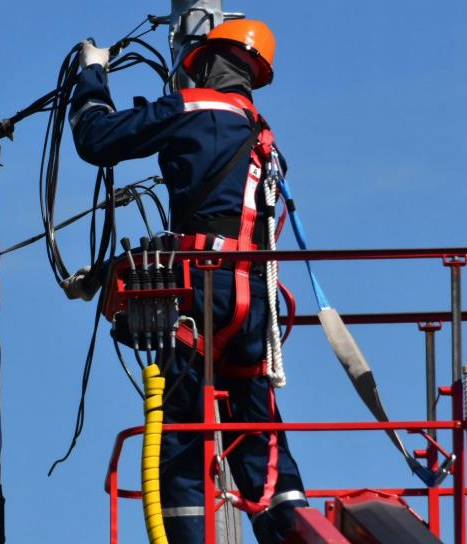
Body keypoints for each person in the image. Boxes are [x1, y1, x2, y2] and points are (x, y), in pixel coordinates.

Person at [69, 19, 307, 543]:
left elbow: (96, 139)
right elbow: (224, 227)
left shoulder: (192, 109)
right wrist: (105, 276)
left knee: (182, 438)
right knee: (259, 434)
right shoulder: (262, 136)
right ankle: (292, 530)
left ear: (201, 63)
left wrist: (91, 75)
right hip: (252, 305)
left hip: (198, 296)